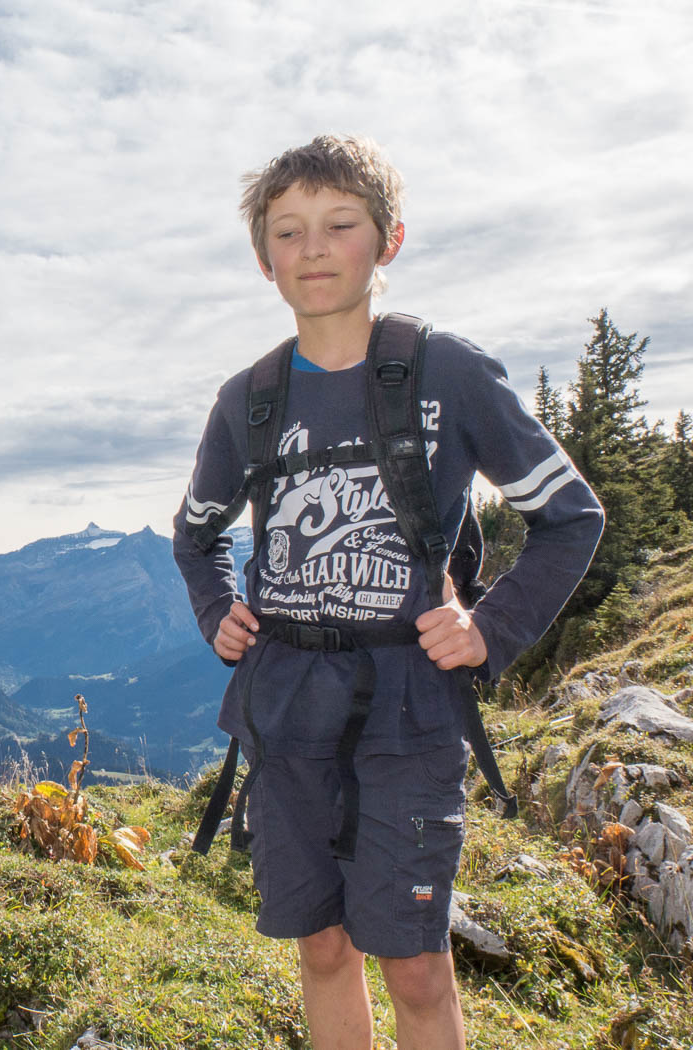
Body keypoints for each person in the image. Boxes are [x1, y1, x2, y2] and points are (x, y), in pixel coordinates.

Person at [171, 134, 604, 1050]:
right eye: (288, 231)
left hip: (409, 706)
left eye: (340, 225)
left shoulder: (448, 374)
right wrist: (217, 610)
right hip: (285, 703)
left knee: (413, 960)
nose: (314, 249)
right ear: (263, 259)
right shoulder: (248, 401)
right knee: (323, 946)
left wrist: (490, 628)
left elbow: (571, 515)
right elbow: (195, 532)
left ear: (388, 240)